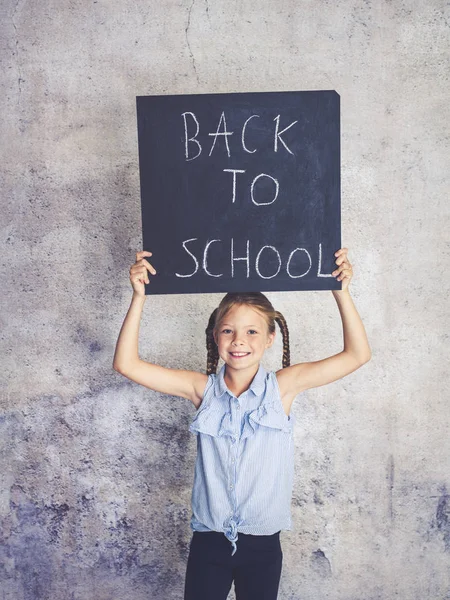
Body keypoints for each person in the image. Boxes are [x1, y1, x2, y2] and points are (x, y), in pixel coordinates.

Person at [113, 247, 371, 600]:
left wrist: (341, 291)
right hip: (209, 545)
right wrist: (138, 296)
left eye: (251, 332)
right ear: (215, 336)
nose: (239, 341)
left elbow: (358, 354)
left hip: (263, 548)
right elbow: (126, 364)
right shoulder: (201, 390)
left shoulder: (283, 388)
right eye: (229, 331)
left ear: (269, 339)